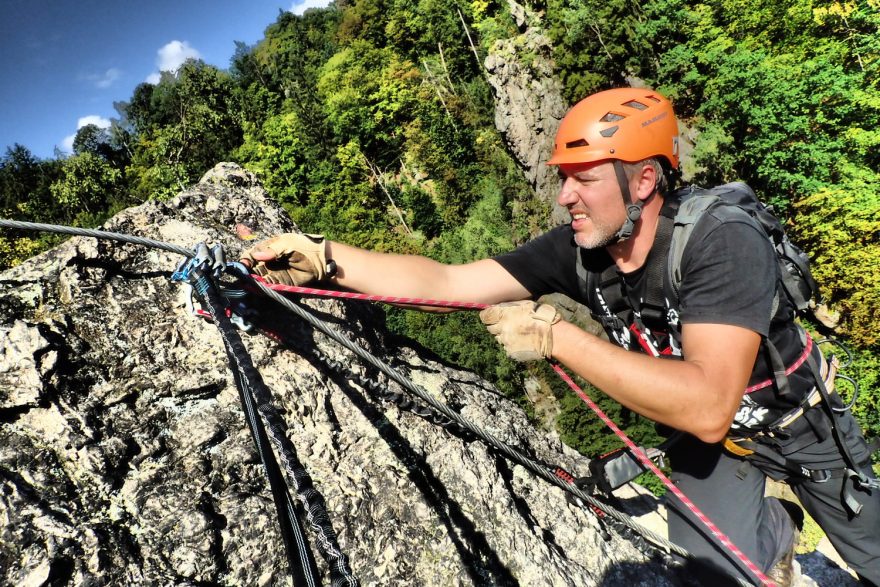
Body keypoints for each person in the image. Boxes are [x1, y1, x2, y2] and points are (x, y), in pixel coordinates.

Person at [241, 87, 879, 585]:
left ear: (645, 181)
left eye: (585, 178)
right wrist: (327, 258)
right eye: (563, 177)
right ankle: (771, 529)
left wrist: (557, 339)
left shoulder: (720, 241)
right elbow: (449, 282)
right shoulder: (583, 252)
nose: (566, 196)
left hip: (799, 429)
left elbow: (709, 405)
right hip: (710, 452)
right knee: (711, 570)